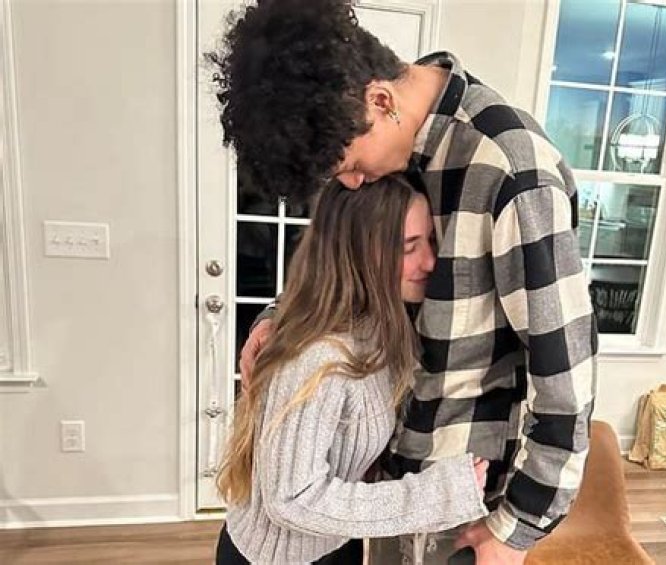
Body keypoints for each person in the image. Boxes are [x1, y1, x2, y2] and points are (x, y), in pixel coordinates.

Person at [210, 0, 598, 562]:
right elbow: (347, 260)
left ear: (381, 100)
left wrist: (519, 526)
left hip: (466, 500)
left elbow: (565, 367)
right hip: (380, 489)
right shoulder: (383, 143)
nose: (349, 181)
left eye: (348, 166)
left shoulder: (511, 169)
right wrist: (281, 318)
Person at [215, 177, 490, 564]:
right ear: (359, 253)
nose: (430, 262)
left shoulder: (378, 324)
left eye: (430, 240)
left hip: (334, 544)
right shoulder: (317, 356)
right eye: (408, 247)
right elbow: (291, 499)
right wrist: (439, 495)